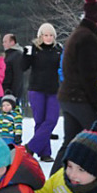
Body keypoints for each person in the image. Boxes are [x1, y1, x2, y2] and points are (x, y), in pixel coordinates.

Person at [52, 0, 97, 173]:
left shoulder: (78, 35)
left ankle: (54, 182)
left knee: (70, 141)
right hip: (80, 99)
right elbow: (89, 76)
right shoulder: (88, 39)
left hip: (69, 97)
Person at [24, 23, 63, 163]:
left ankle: (30, 147)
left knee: (52, 120)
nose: (48, 38)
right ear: (40, 36)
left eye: (51, 35)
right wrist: (26, 55)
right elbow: (24, 67)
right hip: (36, 89)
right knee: (40, 122)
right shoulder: (33, 49)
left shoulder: (59, 49)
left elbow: (64, 67)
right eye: (46, 35)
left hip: (54, 90)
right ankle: (45, 153)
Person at [2, 33, 26, 98]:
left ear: (12, 42)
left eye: (5, 42)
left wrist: (13, 94)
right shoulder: (7, 54)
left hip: (11, 92)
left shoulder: (17, 55)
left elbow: (18, 76)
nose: (3, 44)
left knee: (14, 107)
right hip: (4, 90)